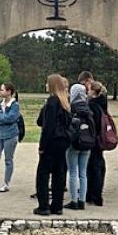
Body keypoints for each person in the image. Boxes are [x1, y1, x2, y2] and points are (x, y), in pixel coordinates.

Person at [34, 74, 72, 216]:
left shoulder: (52, 101)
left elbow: (47, 126)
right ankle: (57, 205)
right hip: (62, 141)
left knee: (43, 174)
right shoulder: (65, 102)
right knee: (58, 173)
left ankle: (43, 205)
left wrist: (42, 146)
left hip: (52, 141)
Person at [64, 84, 95, 210]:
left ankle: (73, 200)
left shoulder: (71, 109)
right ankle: (82, 200)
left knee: (72, 172)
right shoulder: (88, 109)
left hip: (74, 143)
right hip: (87, 143)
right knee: (83, 173)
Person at [0, 83, 20, 193]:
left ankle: (6, 183)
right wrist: (1, 118)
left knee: (8, 159)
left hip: (10, 135)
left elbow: (11, 118)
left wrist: (0, 117)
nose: (0, 92)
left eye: (2, 90)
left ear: (9, 91)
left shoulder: (15, 105)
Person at [86, 81, 108, 206]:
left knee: (92, 168)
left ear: (93, 91)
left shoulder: (92, 105)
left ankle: (93, 194)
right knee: (99, 166)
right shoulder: (102, 104)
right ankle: (96, 194)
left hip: (93, 139)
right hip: (100, 139)